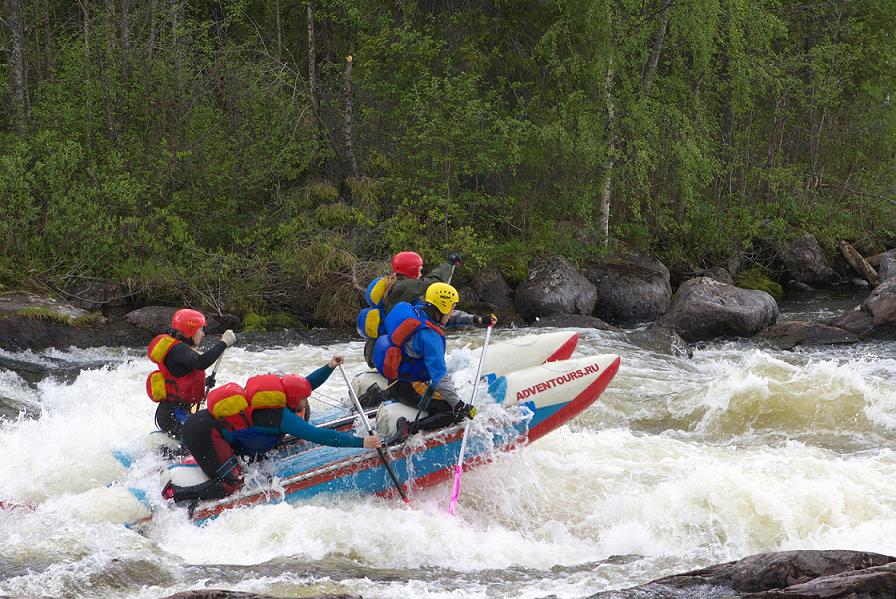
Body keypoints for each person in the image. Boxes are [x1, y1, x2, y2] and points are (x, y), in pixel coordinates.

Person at [168, 355, 381, 502]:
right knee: (232, 484)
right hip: (204, 433)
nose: (306, 403)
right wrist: (362, 443)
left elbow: (306, 384)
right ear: (294, 400)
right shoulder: (281, 416)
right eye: (304, 400)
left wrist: (329, 367)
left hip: (203, 423)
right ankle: (177, 494)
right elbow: (319, 435)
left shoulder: (278, 397)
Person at [372, 282, 496, 440]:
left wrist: (477, 319)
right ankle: (408, 428)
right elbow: (439, 378)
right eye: (451, 307)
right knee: (451, 412)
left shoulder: (417, 311)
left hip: (395, 382)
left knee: (445, 398)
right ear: (443, 307)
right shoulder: (430, 338)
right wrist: (460, 406)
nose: (452, 312)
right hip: (410, 387)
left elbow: (448, 318)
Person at [146, 308, 236, 440]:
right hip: (173, 413)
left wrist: (204, 383)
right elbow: (201, 362)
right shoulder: (178, 349)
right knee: (198, 439)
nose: (203, 334)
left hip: (177, 411)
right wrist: (224, 343)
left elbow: (181, 378)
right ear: (190, 330)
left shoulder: (179, 349)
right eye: (200, 330)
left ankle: (168, 452)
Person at [362, 251, 461, 367]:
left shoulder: (391, 283)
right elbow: (434, 282)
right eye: (419, 270)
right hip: (387, 354)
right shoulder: (404, 287)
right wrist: (449, 264)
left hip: (375, 350)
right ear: (412, 271)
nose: (420, 274)